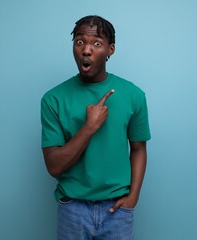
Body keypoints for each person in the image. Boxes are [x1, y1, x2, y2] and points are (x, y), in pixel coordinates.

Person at [40, 15, 151, 240]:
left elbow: (138, 149)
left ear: (111, 50)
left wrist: (133, 197)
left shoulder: (134, 95)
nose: (86, 50)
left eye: (97, 43)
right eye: (80, 42)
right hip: (73, 209)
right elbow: (54, 166)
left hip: (117, 210)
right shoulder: (53, 99)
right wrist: (89, 127)